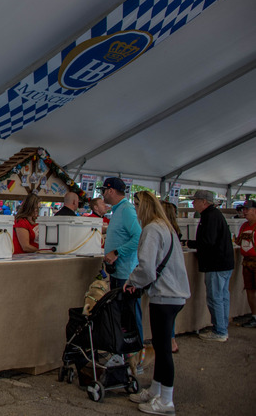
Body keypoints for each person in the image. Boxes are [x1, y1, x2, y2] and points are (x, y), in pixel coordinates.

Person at [124, 191, 190, 416]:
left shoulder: (152, 229)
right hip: (173, 294)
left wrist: (132, 281)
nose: (135, 211)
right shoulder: (165, 226)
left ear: (142, 206)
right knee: (162, 347)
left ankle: (166, 401)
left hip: (165, 295)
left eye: (135, 206)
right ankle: (156, 390)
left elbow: (147, 268)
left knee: (163, 350)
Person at [187, 190, 234, 342]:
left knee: (215, 297)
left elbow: (208, 241)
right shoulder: (214, 215)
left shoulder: (210, 216)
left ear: (204, 202)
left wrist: (190, 243)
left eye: (195, 200)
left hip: (216, 264)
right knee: (222, 296)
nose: (193, 203)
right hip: (223, 263)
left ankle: (220, 330)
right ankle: (222, 327)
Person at [101, 177, 143, 341]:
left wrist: (117, 252)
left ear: (110, 191)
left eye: (103, 191)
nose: (102, 194)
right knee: (121, 315)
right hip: (118, 271)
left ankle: (136, 349)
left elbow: (138, 237)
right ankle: (124, 348)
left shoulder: (126, 210)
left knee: (130, 315)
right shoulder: (118, 210)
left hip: (126, 273)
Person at [160, 199, 184, 353]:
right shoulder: (174, 231)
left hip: (166, 280)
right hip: (174, 282)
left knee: (166, 314)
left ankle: (170, 340)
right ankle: (171, 339)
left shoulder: (164, 231)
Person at [234, 200, 256, 328]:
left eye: (247, 209)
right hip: (247, 262)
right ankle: (254, 316)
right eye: (244, 209)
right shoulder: (244, 226)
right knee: (249, 289)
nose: (244, 212)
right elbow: (238, 241)